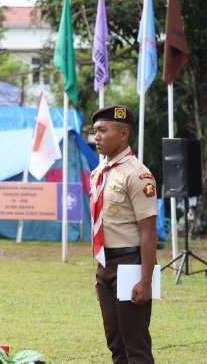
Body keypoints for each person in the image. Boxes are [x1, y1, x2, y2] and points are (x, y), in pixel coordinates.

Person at [90, 104, 157, 364]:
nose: (97, 136)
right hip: (106, 266)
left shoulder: (137, 175)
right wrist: (100, 274)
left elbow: (149, 233)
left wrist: (145, 280)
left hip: (130, 264)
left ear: (123, 132)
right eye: (95, 131)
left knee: (135, 344)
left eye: (103, 130)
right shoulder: (99, 173)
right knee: (115, 343)